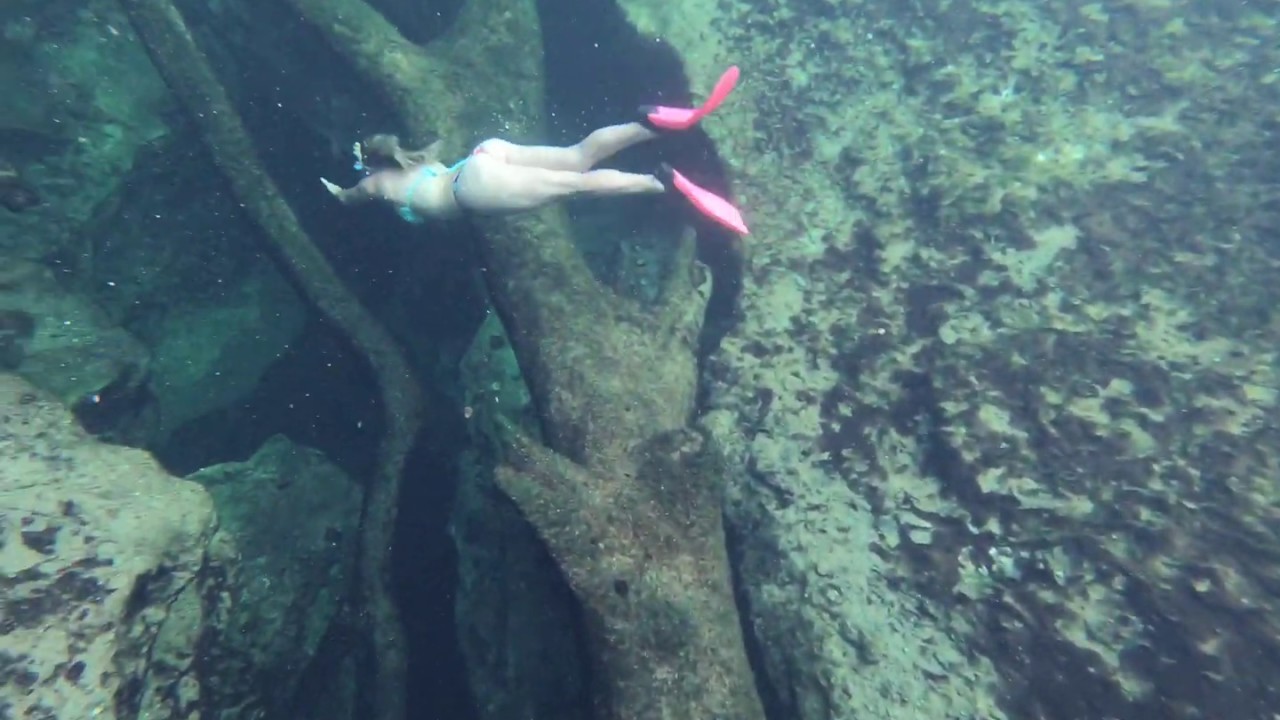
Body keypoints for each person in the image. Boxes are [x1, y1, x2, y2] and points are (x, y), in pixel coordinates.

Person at [320, 67, 748, 235]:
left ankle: (660, 184)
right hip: (483, 156)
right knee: (577, 156)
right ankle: (646, 124)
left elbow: (348, 199)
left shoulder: (377, 184)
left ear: (368, 164)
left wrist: (338, 190)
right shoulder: (417, 159)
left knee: (576, 185)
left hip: (473, 188)